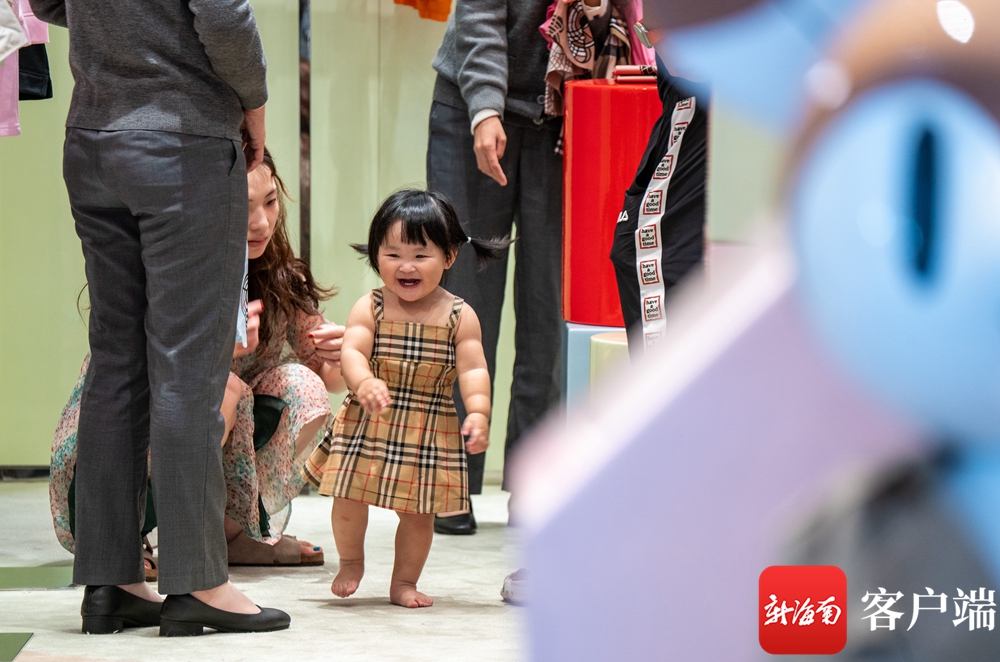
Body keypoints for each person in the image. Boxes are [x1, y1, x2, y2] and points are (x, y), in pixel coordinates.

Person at [29, 0, 287, 636]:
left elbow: (45, 2)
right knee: (187, 367)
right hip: (183, 140)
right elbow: (222, 14)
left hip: (92, 139)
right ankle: (198, 581)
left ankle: (110, 580)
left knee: (116, 361)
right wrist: (253, 101)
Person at [50, 151, 347, 574]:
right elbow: (137, 378)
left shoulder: (279, 276)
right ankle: (137, 540)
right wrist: (218, 350)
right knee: (220, 389)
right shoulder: (167, 270)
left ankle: (232, 535)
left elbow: (330, 377)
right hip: (117, 463)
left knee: (304, 387)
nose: (261, 223)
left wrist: (347, 350)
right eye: (242, 206)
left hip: (213, 439)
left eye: (270, 202)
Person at [303, 189, 509, 607]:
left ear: (449, 256)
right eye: (392, 254)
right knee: (347, 498)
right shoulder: (371, 306)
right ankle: (351, 561)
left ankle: (404, 582)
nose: (406, 266)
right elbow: (352, 351)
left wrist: (479, 412)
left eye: (420, 254)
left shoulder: (460, 315)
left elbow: (474, 370)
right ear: (376, 255)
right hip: (369, 420)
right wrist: (363, 381)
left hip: (427, 426)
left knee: (418, 514)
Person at [426, 0, 563, 535]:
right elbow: (479, 14)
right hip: (470, 107)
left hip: (567, 111)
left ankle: (535, 480)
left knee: (549, 305)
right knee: (463, 298)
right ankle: (453, 477)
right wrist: (485, 106)